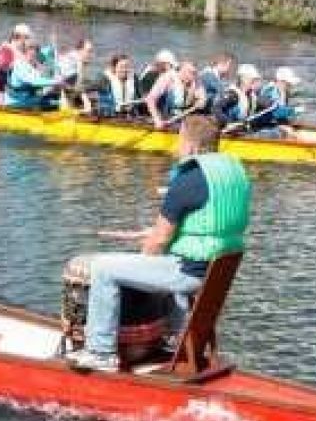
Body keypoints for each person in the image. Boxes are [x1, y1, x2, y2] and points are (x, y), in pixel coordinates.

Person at [66, 116, 251, 372]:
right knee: (156, 263)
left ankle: (101, 352)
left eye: (179, 142)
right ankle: (171, 336)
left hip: (189, 273)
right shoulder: (233, 173)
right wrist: (148, 233)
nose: (177, 149)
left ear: (190, 145)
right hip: (216, 270)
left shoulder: (188, 179)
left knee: (103, 269)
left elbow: (160, 240)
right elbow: (209, 224)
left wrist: (144, 258)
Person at [143, 62, 206, 130]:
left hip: (184, 117)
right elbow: (150, 99)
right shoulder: (168, 78)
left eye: (194, 73)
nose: (192, 76)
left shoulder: (195, 80)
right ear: (180, 70)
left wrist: (201, 101)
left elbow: (202, 98)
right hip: (165, 117)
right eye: (189, 72)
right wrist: (157, 120)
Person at [81, 54, 138, 118]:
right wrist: (87, 105)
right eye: (121, 67)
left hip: (129, 115)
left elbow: (140, 96)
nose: (125, 70)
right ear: (114, 67)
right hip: (109, 115)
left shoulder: (134, 78)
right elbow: (83, 89)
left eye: (127, 67)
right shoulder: (105, 79)